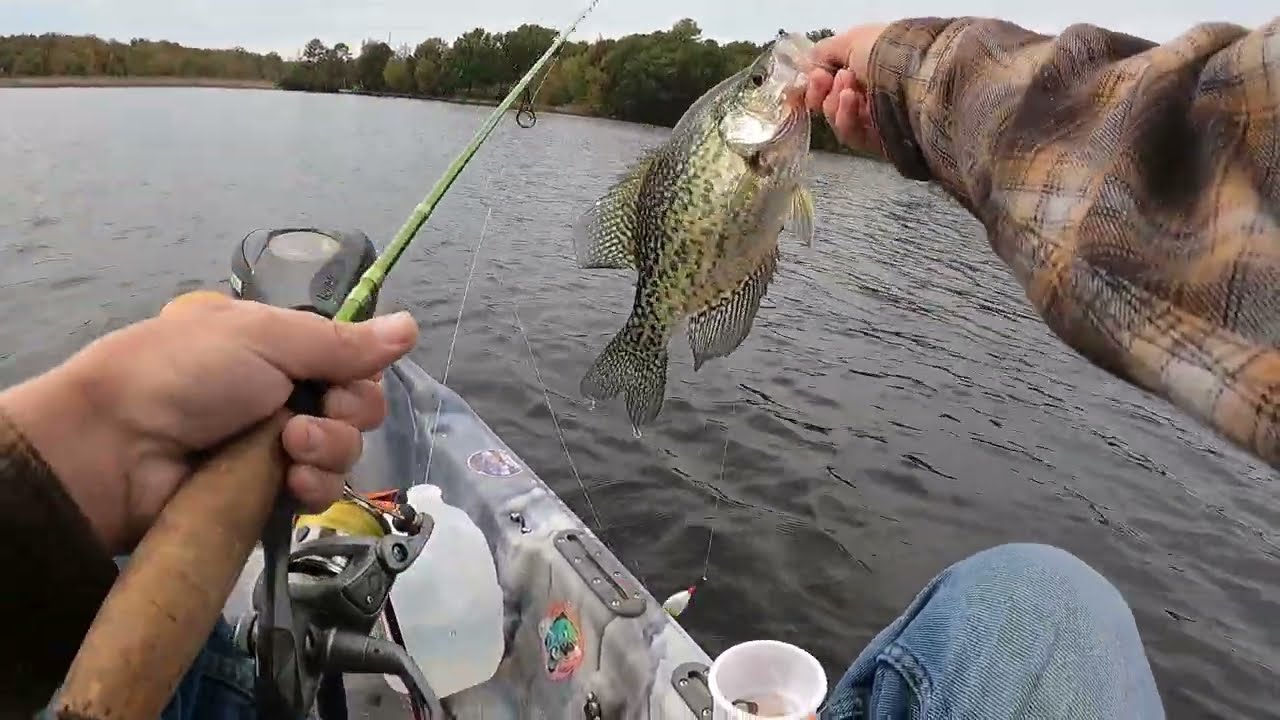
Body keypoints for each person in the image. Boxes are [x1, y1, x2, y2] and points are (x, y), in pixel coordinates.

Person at [0, 12, 1273, 720]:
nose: (767, 81)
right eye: (755, 82)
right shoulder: (751, 136)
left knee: (1044, 603)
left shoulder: (760, 144)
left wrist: (69, 449)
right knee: (1042, 605)